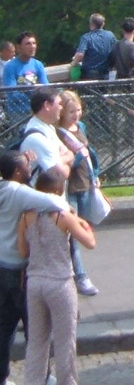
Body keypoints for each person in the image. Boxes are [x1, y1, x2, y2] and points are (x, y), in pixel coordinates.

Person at [0, 150, 81, 385]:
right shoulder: (19, 192)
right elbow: (52, 200)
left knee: (4, 326)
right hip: (21, 268)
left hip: (1, 264)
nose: (30, 169)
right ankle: (43, 377)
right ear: (17, 172)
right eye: (26, 166)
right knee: (37, 328)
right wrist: (73, 215)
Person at [17, 165, 95, 385]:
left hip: (35, 283)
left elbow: (23, 251)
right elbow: (90, 243)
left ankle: (33, 382)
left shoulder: (26, 218)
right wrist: (81, 222)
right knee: (64, 342)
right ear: (60, 190)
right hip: (60, 282)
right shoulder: (63, 216)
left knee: (36, 342)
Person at [54, 91, 99, 296]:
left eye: (78, 110)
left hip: (84, 185)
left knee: (83, 228)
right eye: (71, 111)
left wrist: (95, 174)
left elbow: (92, 155)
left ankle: (74, 274)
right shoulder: (59, 133)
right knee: (73, 236)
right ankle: (80, 277)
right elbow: (70, 160)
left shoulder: (80, 128)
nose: (76, 115)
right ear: (62, 112)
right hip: (70, 188)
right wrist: (77, 155)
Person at [19, 87, 68, 181]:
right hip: (40, 194)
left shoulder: (48, 127)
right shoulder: (36, 137)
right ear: (47, 105)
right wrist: (66, 159)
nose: (62, 107)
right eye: (59, 104)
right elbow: (61, 174)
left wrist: (60, 159)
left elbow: (68, 152)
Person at [2, 33, 48, 117]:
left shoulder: (38, 65)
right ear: (19, 47)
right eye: (28, 44)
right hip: (19, 113)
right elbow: (12, 94)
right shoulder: (10, 67)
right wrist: (35, 93)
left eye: (34, 43)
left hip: (38, 110)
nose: (32, 46)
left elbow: (46, 87)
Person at [70, 14, 115, 82]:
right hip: (106, 75)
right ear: (103, 24)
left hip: (90, 75)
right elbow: (117, 49)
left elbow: (80, 55)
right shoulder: (110, 35)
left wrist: (73, 64)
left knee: (89, 93)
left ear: (91, 24)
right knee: (106, 93)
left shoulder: (86, 37)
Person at [110, 19, 134, 85]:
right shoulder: (133, 47)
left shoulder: (116, 45)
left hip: (119, 79)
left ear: (123, 30)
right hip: (131, 79)